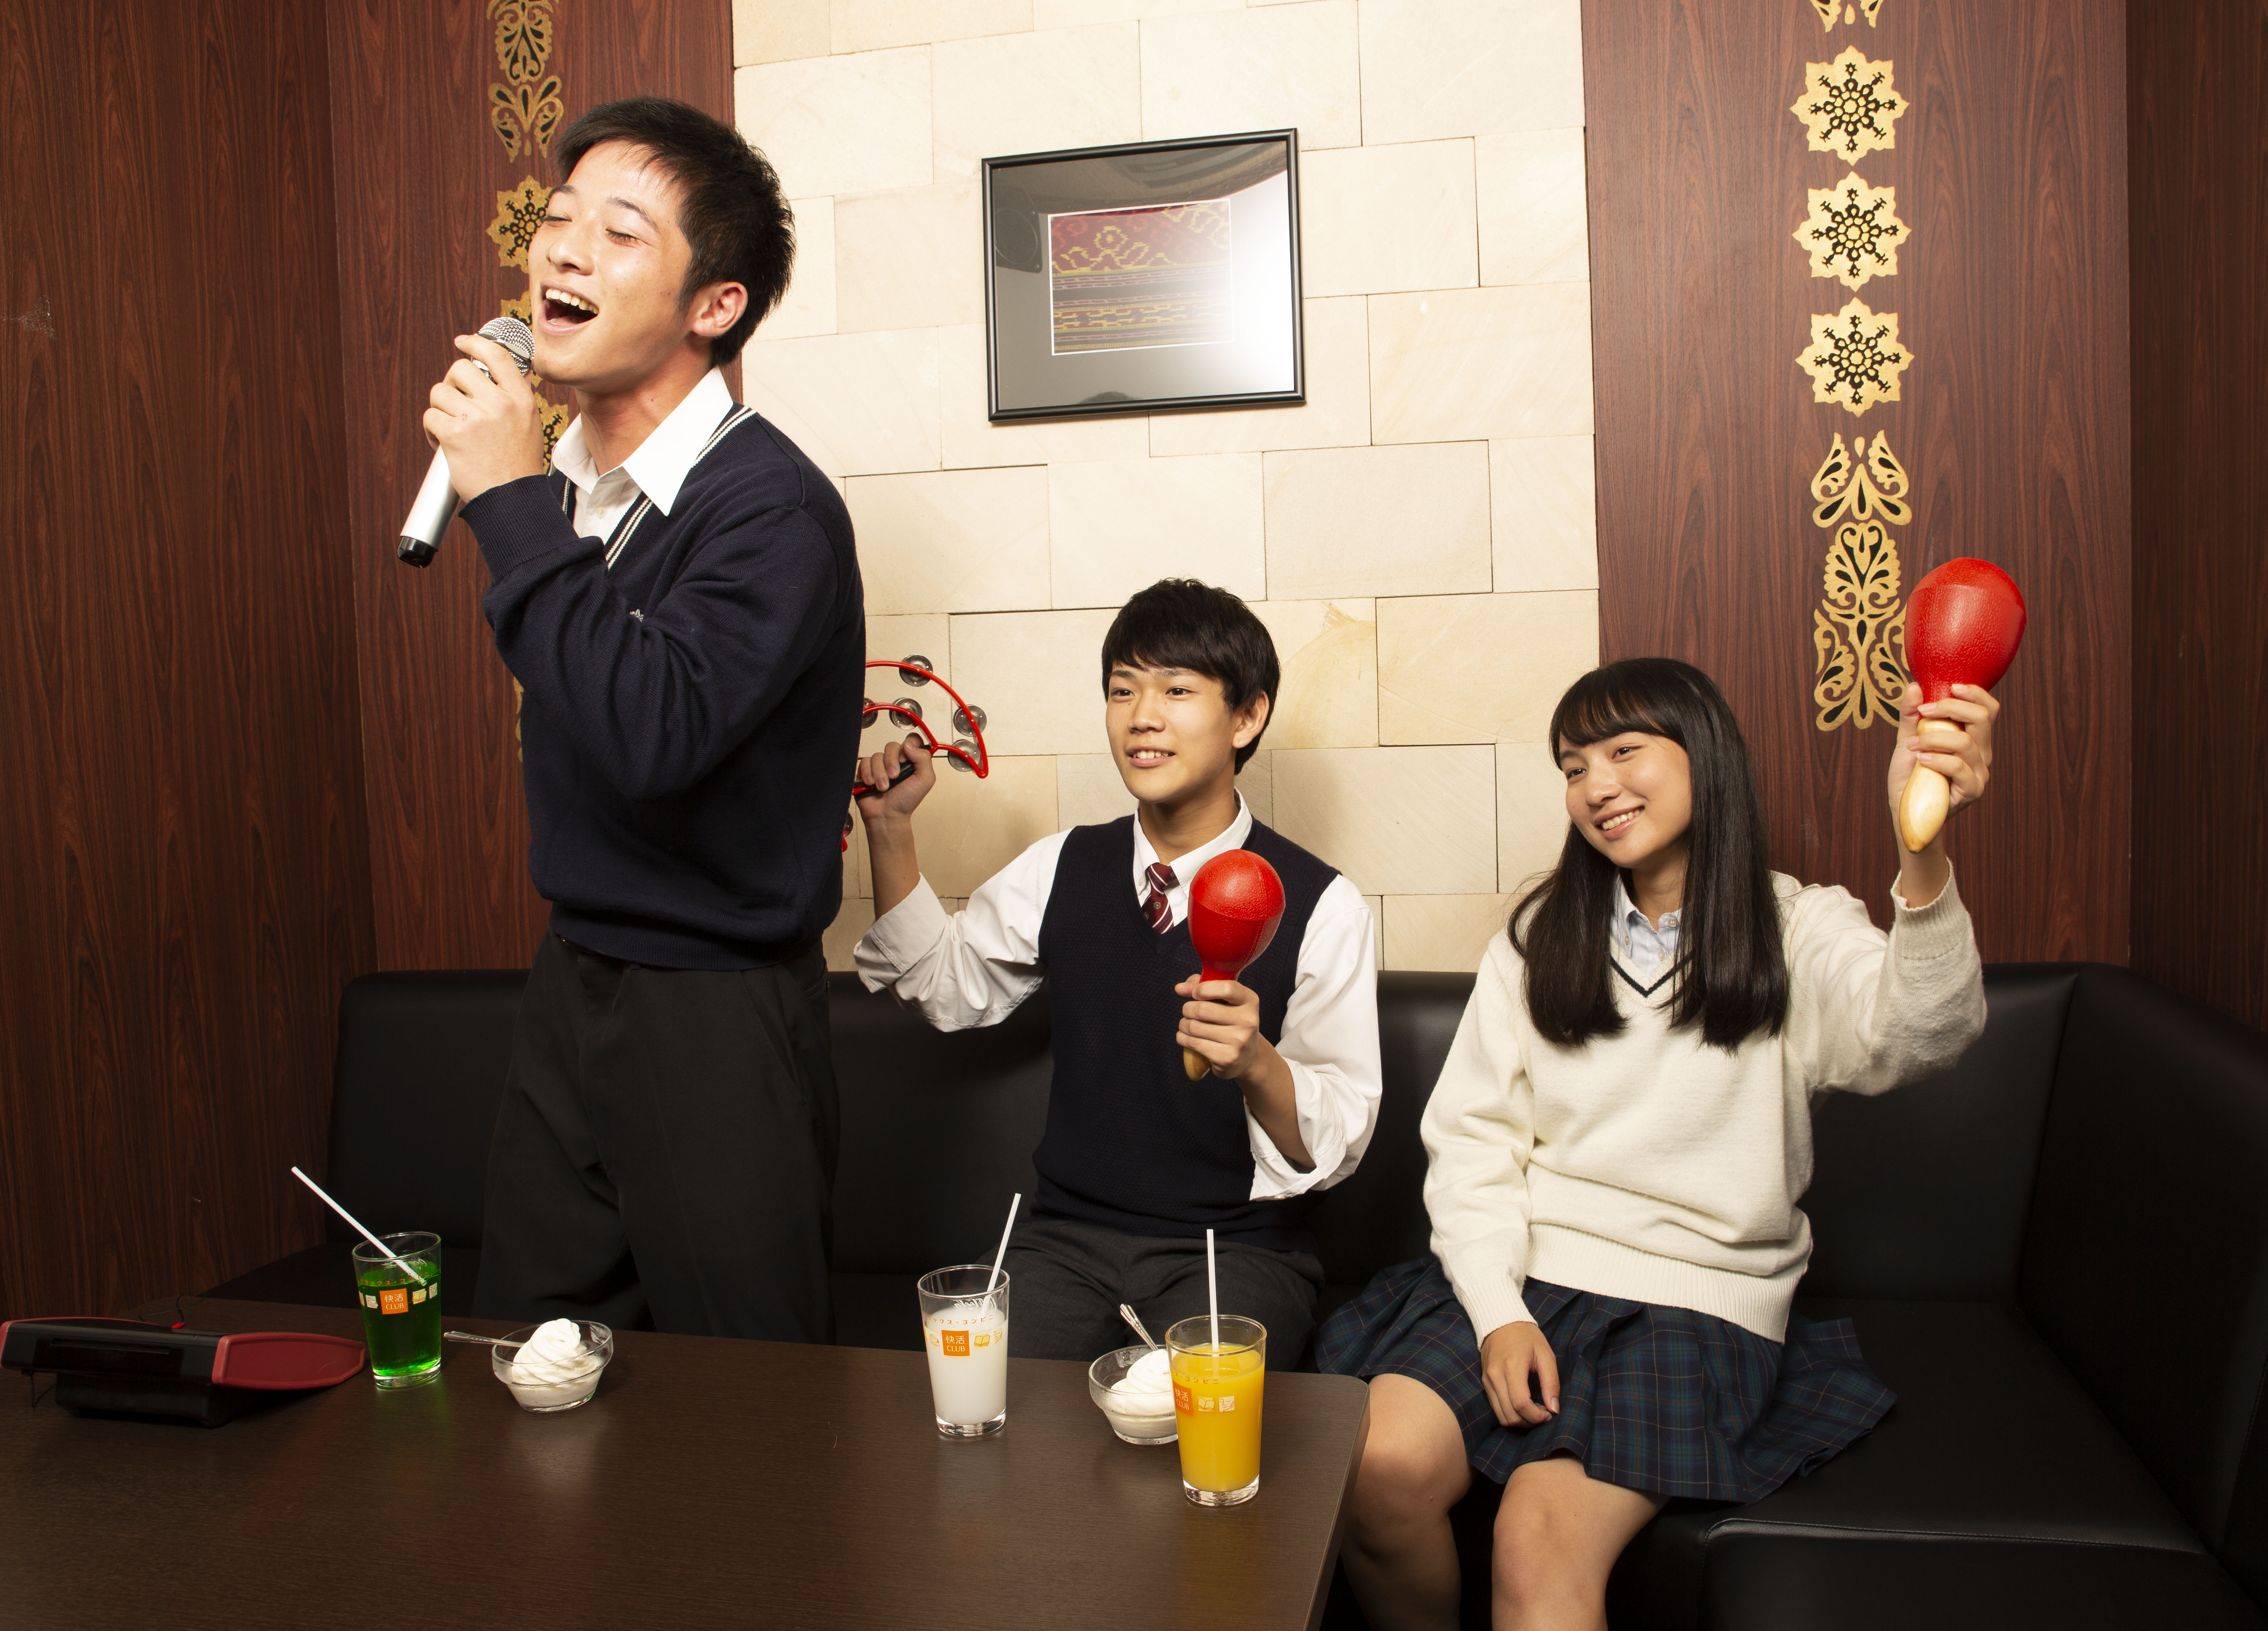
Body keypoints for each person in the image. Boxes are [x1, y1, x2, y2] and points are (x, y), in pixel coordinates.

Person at [1323, 657, 1998, 1630]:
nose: (1595, 785)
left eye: (1623, 752)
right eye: (1573, 767)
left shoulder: (1798, 927)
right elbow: (1472, 1143)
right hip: (1528, 1272)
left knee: (1535, 1546)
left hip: (1696, 1304)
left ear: (1703, 754)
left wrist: (1920, 849)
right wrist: (1498, 1313)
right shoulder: (1538, 935)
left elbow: (1925, 1035)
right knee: (1379, 1469)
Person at [421, 96, 861, 1343]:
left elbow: (655, 731)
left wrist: (506, 501)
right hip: (575, 978)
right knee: (532, 1365)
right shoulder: (567, 491)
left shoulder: (772, 510)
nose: (563, 251)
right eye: (560, 221)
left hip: (716, 1009)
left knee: (747, 1402)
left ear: (714, 305)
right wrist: (527, 497)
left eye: (619, 235)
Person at [852, 579, 1381, 1363]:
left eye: (1177, 690)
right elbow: (939, 987)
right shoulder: (1063, 866)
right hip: (1064, 1241)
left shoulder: (1324, 904)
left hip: (1235, 1250)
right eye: (1122, 690)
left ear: (1247, 716)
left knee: (1186, 1419)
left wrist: (1256, 1062)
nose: (1142, 717)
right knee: (980, 1409)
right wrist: (889, 829)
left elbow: (1332, 1146)